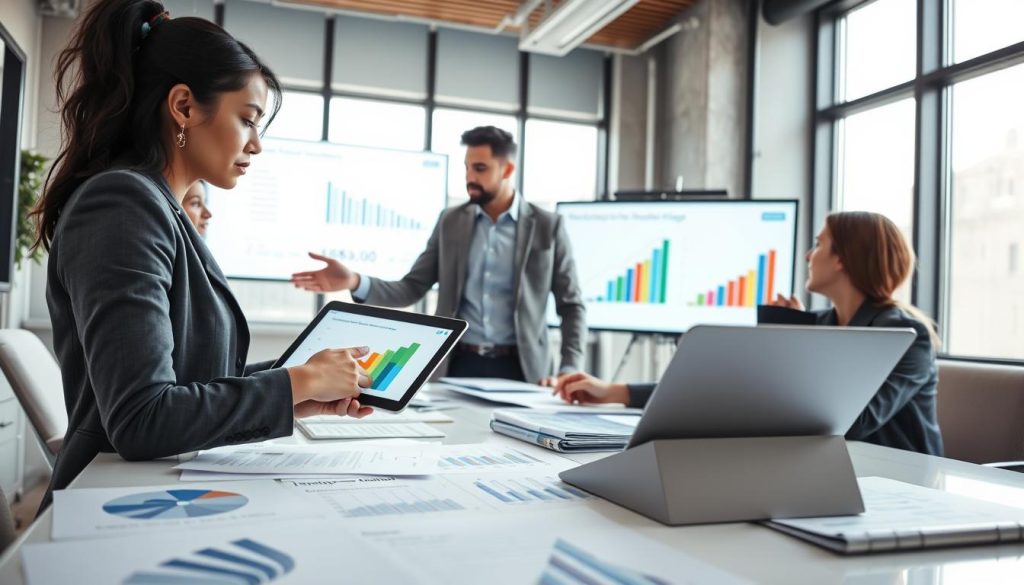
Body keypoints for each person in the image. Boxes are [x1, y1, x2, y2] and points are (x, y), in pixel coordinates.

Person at [30, 0, 373, 509]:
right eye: (248, 119)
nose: (256, 145)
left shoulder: (156, 206)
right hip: (111, 506)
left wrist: (298, 392)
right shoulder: (121, 203)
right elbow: (143, 418)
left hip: (161, 489)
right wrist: (296, 381)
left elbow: (188, 381)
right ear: (185, 106)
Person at [554, 211, 943, 456]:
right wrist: (615, 392)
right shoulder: (825, 324)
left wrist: (793, 339)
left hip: (900, 482)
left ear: (842, 259)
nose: (809, 255)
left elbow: (846, 421)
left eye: (819, 244)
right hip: (832, 470)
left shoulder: (904, 335)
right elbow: (735, 391)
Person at [291, 126, 587, 384]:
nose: (469, 177)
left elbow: (571, 305)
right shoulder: (451, 222)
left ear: (507, 170)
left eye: (480, 169)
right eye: (467, 167)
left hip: (523, 368)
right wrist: (355, 281)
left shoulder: (548, 225)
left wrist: (569, 368)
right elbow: (411, 287)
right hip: (456, 364)